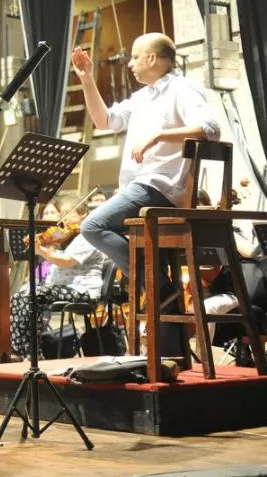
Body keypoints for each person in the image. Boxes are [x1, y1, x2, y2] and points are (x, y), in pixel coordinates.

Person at [73, 32, 220, 361]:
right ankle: (167, 324)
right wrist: (86, 80)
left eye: (135, 57)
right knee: (99, 227)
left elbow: (210, 128)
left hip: (162, 187)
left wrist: (158, 135)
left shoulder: (183, 90)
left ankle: (152, 284)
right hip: (141, 188)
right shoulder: (143, 97)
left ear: (152, 59)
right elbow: (105, 120)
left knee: (93, 225)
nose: (130, 63)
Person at [10, 199, 106, 357]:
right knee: (20, 295)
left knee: (30, 295)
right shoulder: (65, 238)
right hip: (62, 288)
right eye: (62, 214)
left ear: (83, 215)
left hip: (82, 291)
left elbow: (66, 261)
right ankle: (23, 350)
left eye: (69, 214)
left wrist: (41, 250)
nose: (64, 218)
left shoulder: (87, 236)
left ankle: (29, 352)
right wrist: (45, 244)